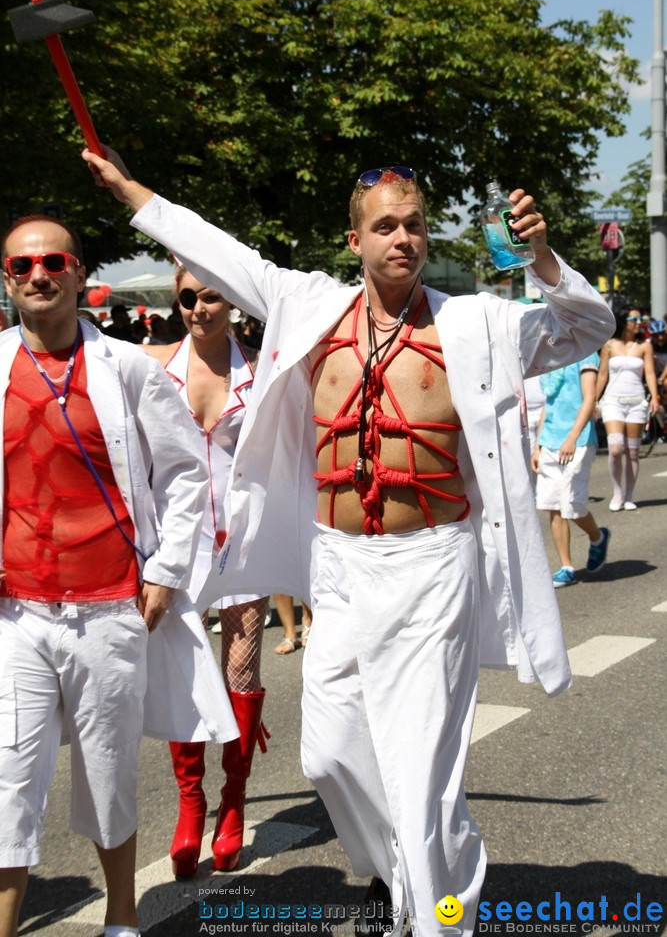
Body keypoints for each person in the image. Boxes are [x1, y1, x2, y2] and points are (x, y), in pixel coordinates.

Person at [83, 150, 615, 937]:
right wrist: (132, 192)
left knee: (420, 775)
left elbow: (585, 324)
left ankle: (439, 915)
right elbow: (218, 250)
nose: (403, 239)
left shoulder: (473, 323)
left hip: (433, 566)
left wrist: (540, 256)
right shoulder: (308, 308)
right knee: (328, 756)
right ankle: (413, 873)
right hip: (338, 565)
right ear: (354, 239)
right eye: (385, 227)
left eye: (414, 225)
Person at [0, 215, 238, 937]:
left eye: (53, 261)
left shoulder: (128, 368)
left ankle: (123, 918)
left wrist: (165, 574)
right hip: (16, 616)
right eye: (21, 265)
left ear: (77, 274)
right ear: (7, 279)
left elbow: (185, 473)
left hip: (110, 611)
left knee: (107, 775)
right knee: (9, 782)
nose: (38, 274)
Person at [144, 261, 269, 876]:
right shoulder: (151, 369)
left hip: (243, 546)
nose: (198, 308)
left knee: (241, 675)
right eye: (187, 297)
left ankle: (234, 799)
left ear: (234, 302)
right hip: (177, 550)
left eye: (211, 295)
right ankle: (190, 805)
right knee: (184, 677)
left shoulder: (263, 370)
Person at [531, 354, 610, 588]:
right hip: (550, 440)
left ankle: (598, 537)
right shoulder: (551, 359)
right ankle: (566, 567)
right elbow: (549, 403)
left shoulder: (586, 355)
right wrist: (538, 445)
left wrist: (572, 438)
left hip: (578, 439)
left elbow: (590, 398)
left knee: (571, 505)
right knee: (553, 505)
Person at [596, 308, 660, 511]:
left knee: (632, 452)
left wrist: (655, 397)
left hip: (636, 402)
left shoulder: (644, 346)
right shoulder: (609, 345)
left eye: (640, 318)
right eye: (634, 319)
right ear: (624, 321)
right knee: (615, 449)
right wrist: (593, 401)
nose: (639, 322)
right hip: (613, 401)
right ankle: (617, 493)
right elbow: (603, 374)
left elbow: (649, 373)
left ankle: (630, 495)